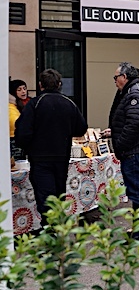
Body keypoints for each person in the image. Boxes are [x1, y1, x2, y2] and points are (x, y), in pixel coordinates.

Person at [14, 69, 88, 225]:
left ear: (41, 85)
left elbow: (22, 132)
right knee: (58, 195)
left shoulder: (35, 104)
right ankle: (58, 230)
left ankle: (50, 233)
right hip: (62, 156)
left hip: (40, 157)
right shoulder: (69, 103)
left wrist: (28, 146)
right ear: (59, 85)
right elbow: (81, 128)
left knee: (45, 198)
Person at [106, 62, 139, 243]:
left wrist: (120, 145)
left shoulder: (134, 93)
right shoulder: (133, 91)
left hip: (136, 150)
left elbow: (134, 123)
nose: (114, 81)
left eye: (116, 77)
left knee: (138, 192)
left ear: (125, 77)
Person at [9, 79, 29, 160]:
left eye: (24, 88)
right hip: (14, 139)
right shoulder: (11, 106)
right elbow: (14, 122)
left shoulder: (29, 103)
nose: (23, 92)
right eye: (19, 90)